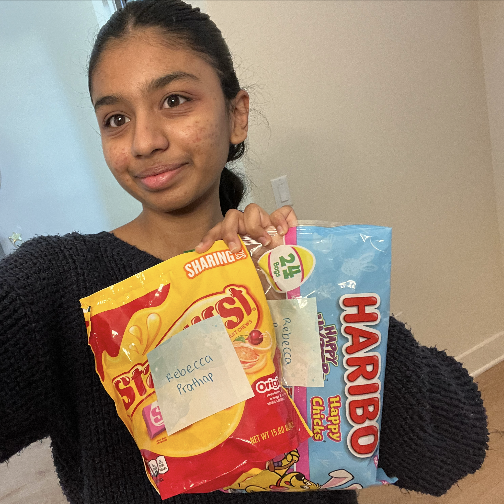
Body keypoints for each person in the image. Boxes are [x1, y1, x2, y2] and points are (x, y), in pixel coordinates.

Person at [0, 1, 488, 504]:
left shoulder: (286, 276)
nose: (144, 141)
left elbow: (455, 445)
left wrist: (310, 295)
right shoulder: (57, 286)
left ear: (237, 115)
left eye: (174, 100)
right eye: (116, 118)